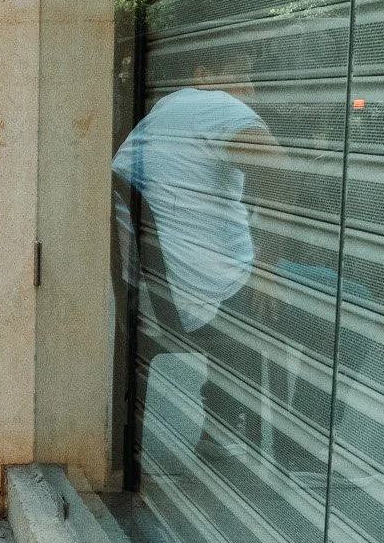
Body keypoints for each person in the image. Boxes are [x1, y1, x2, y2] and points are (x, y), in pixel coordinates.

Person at [111, 49, 279, 461]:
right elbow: (282, 171)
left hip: (159, 293)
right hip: (212, 292)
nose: (250, 89)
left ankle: (221, 424)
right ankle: (303, 455)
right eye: (242, 73)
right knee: (353, 300)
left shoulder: (163, 115)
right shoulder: (216, 106)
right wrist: (270, 264)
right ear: (203, 75)